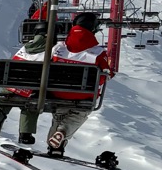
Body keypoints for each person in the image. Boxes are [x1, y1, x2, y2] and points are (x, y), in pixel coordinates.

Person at [41, 11, 113, 157]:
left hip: (57, 93)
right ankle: (62, 134)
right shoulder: (97, 52)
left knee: (59, 115)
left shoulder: (59, 48)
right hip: (84, 96)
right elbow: (103, 76)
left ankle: (56, 146)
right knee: (78, 114)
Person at [0, 16, 50, 146]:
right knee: (32, 103)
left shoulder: (26, 47)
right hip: (29, 90)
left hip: (10, 86)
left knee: (1, 103)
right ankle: (25, 134)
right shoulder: (53, 49)